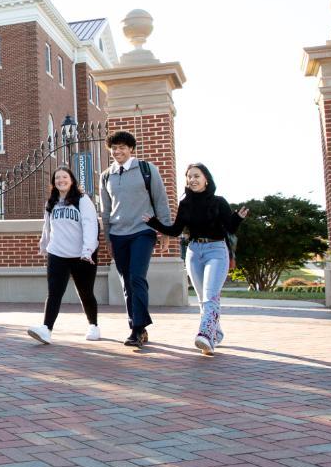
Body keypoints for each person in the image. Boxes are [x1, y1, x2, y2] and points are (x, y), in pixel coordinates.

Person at [142, 163, 249, 355]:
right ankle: (216, 331)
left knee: (210, 296)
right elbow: (175, 230)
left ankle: (205, 335)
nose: (192, 180)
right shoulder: (185, 204)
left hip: (216, 250)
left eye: (196, 176)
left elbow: (230, 227)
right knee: (203, 299)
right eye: (189, 176)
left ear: (206, 179)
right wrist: (154, 223)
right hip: (193, 252)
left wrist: (238, 218)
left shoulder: (219, 202)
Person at [100, 130, 171, 348]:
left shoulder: (147, 169)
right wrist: (108, 239)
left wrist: (166, 231)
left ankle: (137, 328)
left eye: (122, 147)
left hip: (143, 231)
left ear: (131, 149)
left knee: (136, 278)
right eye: (114, 148)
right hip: (118, 234)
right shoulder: (106, 175)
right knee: (126, 283)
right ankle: (137, 325)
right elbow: (105, 210)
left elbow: (161, 201)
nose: (117, 151)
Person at [28, 166, 101, 344]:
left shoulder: (82, 200)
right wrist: (44, 246)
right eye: (57, 178)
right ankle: (46, 329)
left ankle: (93, 325)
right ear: (53, 182)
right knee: (54, 293)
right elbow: (47, 227)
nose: (61, 180)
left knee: (85, 292)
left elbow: (91, 225)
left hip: (82, 255)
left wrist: (87, 251)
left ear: (72, 180)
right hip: (57, 253)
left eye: (65, 177)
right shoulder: (51, 202)